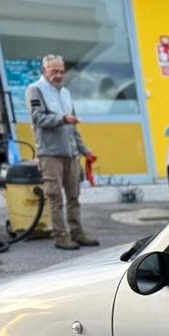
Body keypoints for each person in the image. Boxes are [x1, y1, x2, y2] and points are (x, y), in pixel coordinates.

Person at [26, 54, 99, 251]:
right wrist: (63, 119)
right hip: (50, 154)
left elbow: (72, 127)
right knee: (55, 197)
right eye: (54, 71)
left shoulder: (65, 92)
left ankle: (77, 233)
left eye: (61, 71)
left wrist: (85, 151)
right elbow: (37, 119)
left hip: (70, 153)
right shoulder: (35, 90)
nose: (58, 75)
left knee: (74, 196)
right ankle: (61, 236)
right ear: (44, 71)